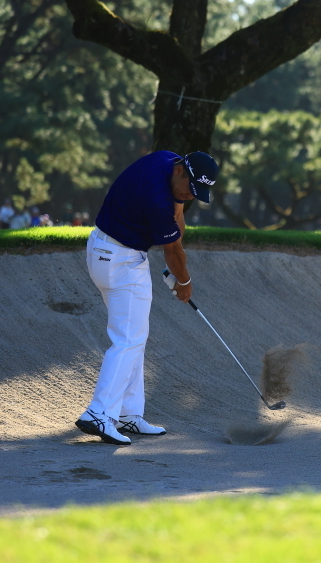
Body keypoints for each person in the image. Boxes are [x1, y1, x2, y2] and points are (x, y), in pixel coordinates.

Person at [75, 150, 219, 445]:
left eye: (196, 192)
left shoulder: (167, 160)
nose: (190, 196)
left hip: (110, 251)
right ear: (179, 171)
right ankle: (99, 413)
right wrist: (184, 282)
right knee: (128, 339)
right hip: (120, 259)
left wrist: (180, 205)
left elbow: (178, 219)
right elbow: (173, 251)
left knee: (135, 336)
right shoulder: (157, 200)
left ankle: (127, 413)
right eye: (190, 189)